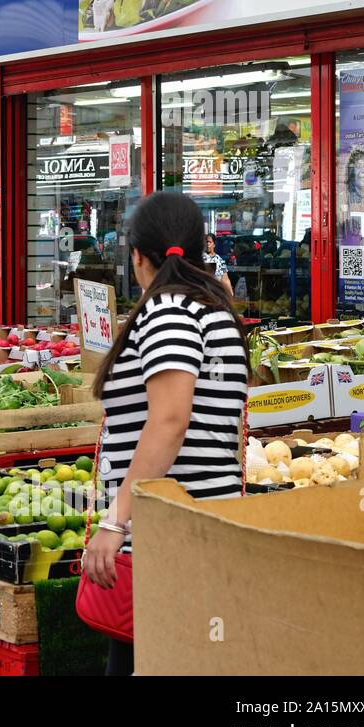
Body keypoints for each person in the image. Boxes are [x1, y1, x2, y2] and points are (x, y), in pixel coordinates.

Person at [81, 192, 248, 676]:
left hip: (169, 539)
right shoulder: (214, 309)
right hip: (203, 530)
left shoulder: (170, 311)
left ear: (137, 254)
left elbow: (170, 420)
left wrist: (116, 523)